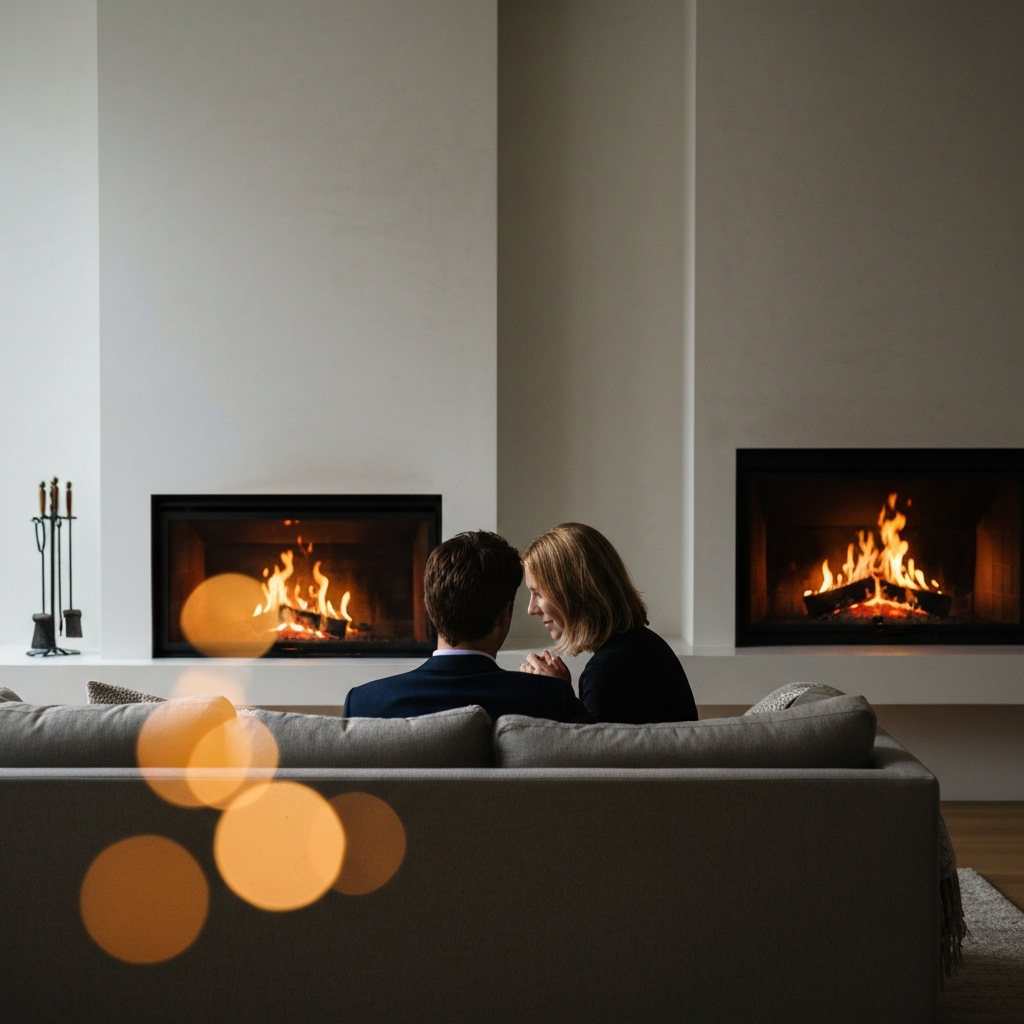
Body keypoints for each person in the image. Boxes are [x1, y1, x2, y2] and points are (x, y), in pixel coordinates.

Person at [344, 531, 591, 723]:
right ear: (503, 615)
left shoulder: (363, 703)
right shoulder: (549, 699)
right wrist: (563, 692)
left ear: (429, 608)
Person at [519, 523, 697, 724]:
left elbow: (592, 752)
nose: (531, 609)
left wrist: (559, 697)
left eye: (538, 593)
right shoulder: (647, 645)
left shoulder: (606, 672)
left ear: (575, 592)